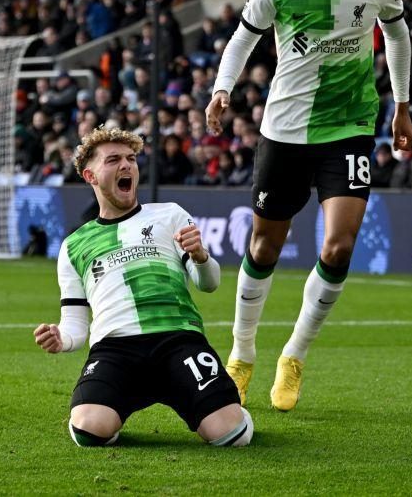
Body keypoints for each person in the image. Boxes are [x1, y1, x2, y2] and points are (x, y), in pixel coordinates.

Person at [205, 0, 412, 412]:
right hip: (285, 129)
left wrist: (403, 104)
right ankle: (243, 352)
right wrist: (221, 87)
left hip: (349, 125)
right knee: (263, 249)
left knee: (339, 247)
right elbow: (243, 37)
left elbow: (397, 34)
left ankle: (294, 355)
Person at [33, 127, 253, 448]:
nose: (127, 166)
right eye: (114, 160)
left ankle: (225, 409)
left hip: (178, 339)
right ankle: (113, 409)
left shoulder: (170, 215)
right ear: (91, 175)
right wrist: (61, 339)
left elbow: (209, 283)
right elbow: (76, 326)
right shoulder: (73, 246)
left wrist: (201, 256)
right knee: (88, 431)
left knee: (231, 435)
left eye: (131, 159)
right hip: (115, 349)